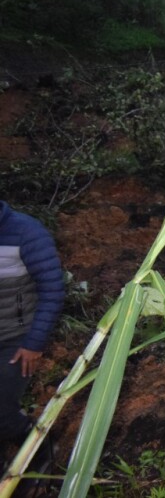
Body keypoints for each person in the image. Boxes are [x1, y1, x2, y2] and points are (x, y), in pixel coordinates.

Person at [1, 201, 65, 482]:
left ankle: (42, 450)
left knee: (1, 408)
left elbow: (52, 290)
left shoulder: (26, 233)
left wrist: (34, 343)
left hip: (16, 340)